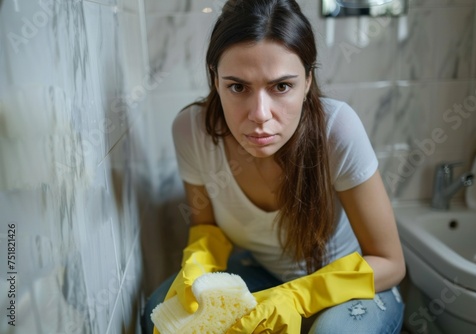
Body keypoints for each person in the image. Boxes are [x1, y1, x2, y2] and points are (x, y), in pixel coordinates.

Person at [142, 0, 406, 333]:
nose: (260, 114)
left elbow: (391, 263)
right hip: (261, 271)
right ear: (214, 79)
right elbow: (206, 227)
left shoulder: (337, 128)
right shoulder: (191, 129)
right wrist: (198, 264)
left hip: (349, 285)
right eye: (238, 87)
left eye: (281, 86)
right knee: (160, 311)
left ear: (308, 80)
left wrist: (297, 296)